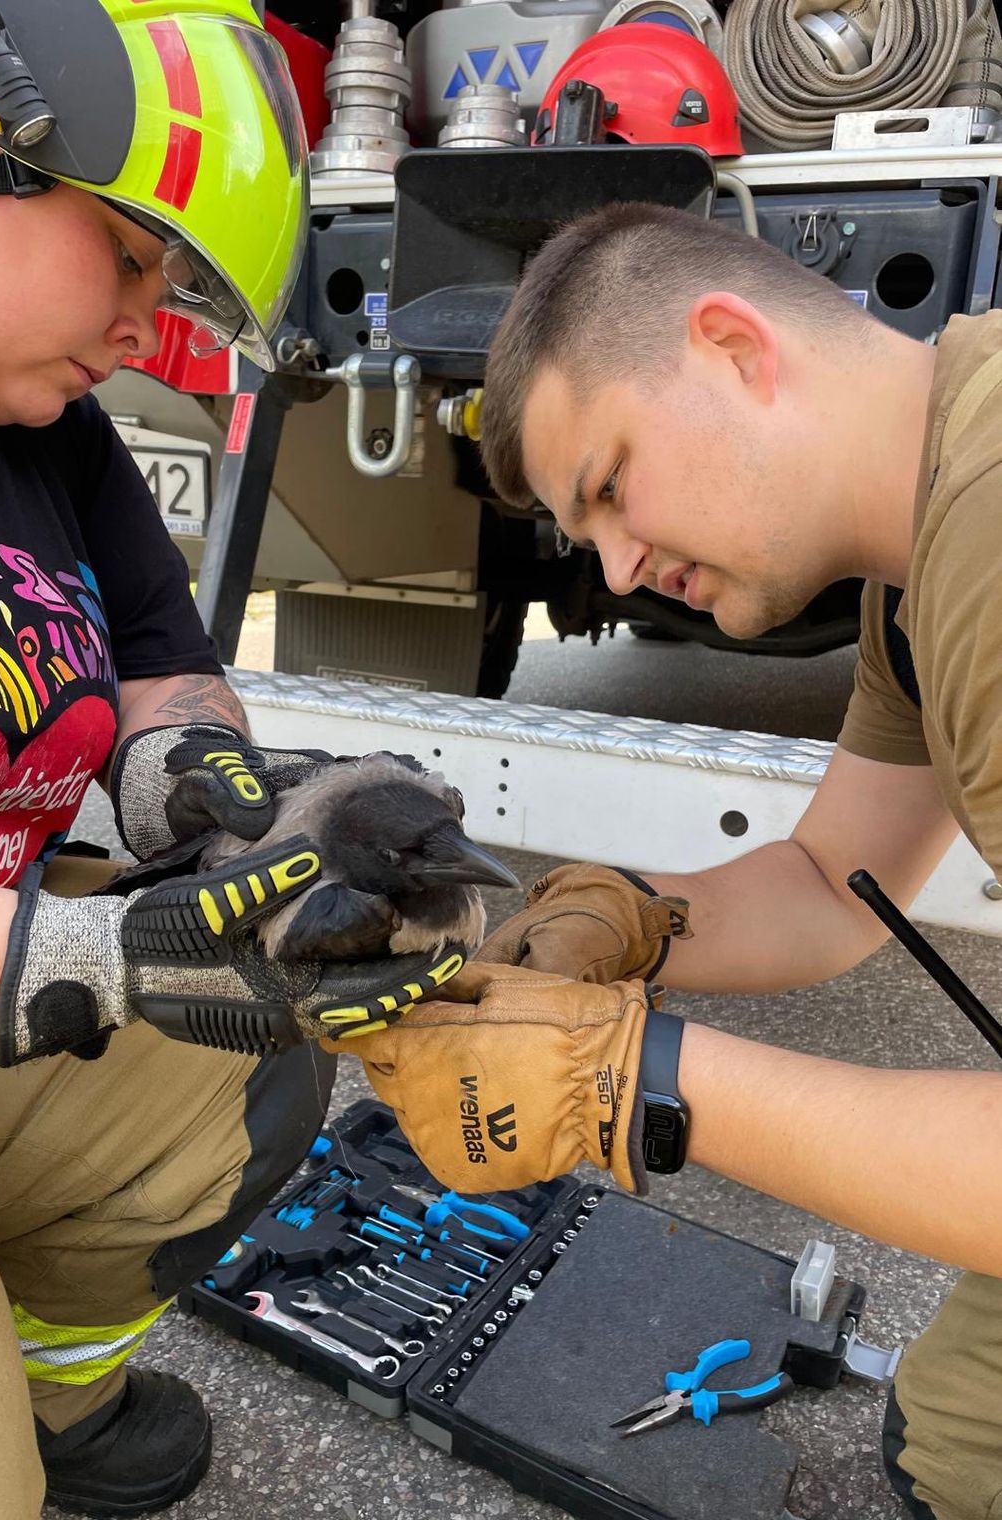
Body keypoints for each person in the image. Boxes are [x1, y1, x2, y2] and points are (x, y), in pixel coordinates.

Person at [0, 4, 456, 1516]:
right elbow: (73, 947)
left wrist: (227, 800)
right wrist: (99, 943)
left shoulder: (38, 428)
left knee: (244, 1061)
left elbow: (162, 668)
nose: (147, 326)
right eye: (131, 256)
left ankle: (58, 1402)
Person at [341, 201, 1002, 1520]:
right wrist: (628, 916)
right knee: (959, 1438)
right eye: (589, 544)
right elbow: (833, 884)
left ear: (734, 350)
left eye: (611, 485)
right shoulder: (923, 554)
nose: (624, 566)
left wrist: (621, 1079)